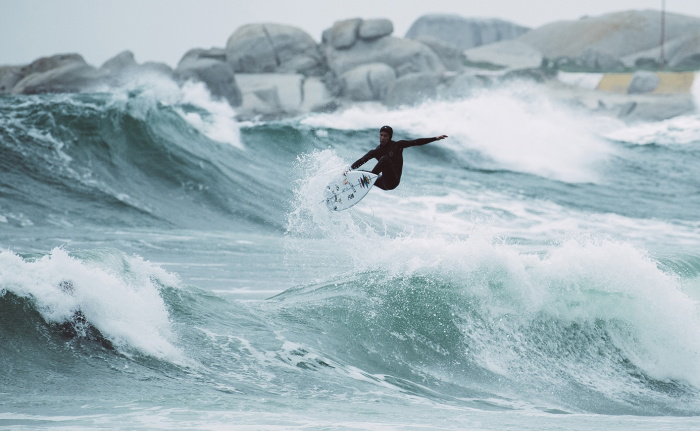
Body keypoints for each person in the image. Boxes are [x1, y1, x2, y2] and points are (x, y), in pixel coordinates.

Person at [349, 125, 448, 190]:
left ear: (390, 137)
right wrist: (349, 170)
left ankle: (369, 179)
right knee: (359, 173)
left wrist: (435, 138)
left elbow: (416, 142)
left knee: (385, 159)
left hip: (393, 182)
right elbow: (362, 160)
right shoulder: (377, 151)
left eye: (385, 136)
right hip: (382, 181)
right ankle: (345, 183)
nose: (382, 138)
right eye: (381, 135)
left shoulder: (397, 145)